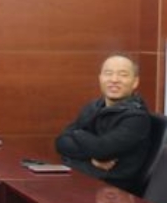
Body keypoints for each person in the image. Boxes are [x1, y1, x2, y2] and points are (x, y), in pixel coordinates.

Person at [55, 54, 151, 194]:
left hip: (114, 192)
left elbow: (102, 151)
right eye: (108, 73)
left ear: (135, 82)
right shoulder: (94, 106)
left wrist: (76, 133)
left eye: (123, 75)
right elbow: (61, 143)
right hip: (85, 179)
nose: (114, 80)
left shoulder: (137, 117)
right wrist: (91, 159)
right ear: (100, 78)